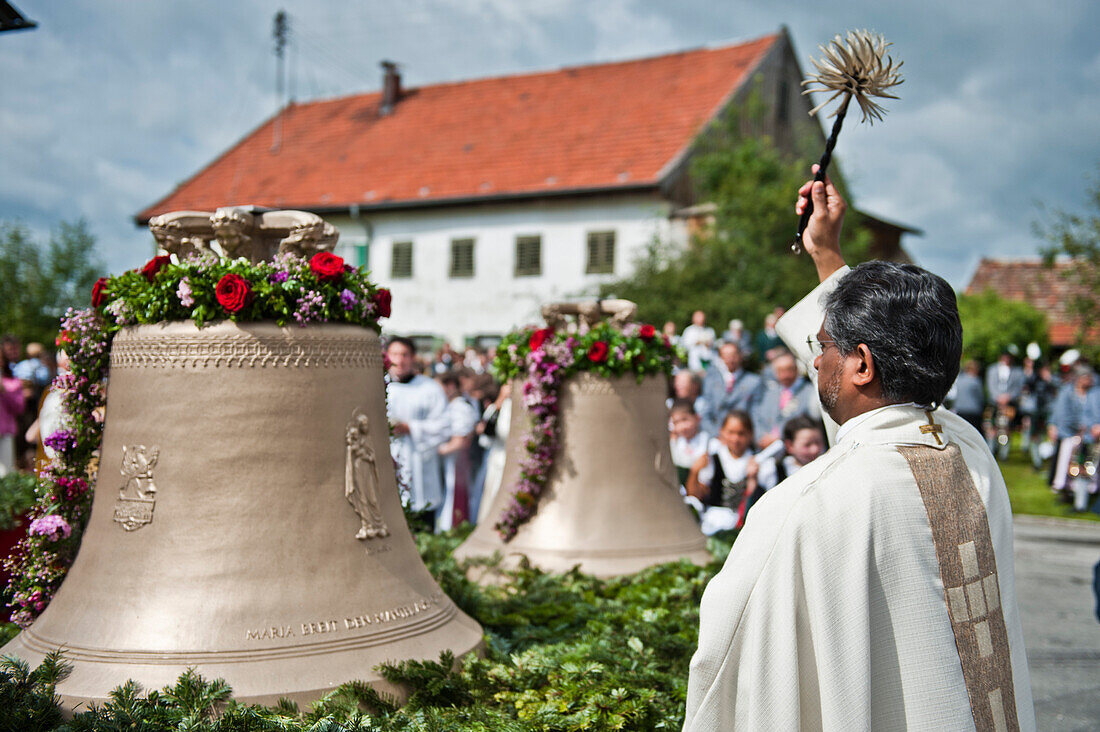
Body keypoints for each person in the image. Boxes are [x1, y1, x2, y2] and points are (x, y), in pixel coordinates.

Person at [684, 170, 1035, 730]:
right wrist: (826, 254)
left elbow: (725, 659)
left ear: (863, 364)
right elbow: (871, 407)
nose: (815, 359)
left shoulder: (805, 505)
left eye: (821, 346)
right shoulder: (972, 455)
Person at [385, 337, 451, 527]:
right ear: (387, 357)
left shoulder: (429, 389)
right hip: (389, 459)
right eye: (395, 354)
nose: (400, 360)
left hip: (419, 462)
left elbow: (444, 426)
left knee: (421, 521)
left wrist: (411, 428)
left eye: (405, 354)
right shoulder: (378, 386)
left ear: (413, 358)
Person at [684, 410, 758, 535]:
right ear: (722, 432)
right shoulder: (713, 459)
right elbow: (695, 494)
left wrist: (753, 479)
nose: (735, 438)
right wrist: (695, 472)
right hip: (713, 521)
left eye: (741, 434)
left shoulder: (757, 461)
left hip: (743, 525)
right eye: (731, 432)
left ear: (750, 435)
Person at [435, 371, 480, 532]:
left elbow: (461, 440)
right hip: (451, 461)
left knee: (455, 497)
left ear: (451, 386)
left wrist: (438, 450)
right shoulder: (452, 406)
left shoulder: (460, 407)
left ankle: (453, 529)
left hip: (457, 462)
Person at [752, 350, 817, 449]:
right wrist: (761, 437)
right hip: (765, 449)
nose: (785, 375)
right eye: (780, 370)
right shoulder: (769, 393)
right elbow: (758, 417)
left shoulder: (809, 391)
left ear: (796, 369)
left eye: (789, 369)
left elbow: (808, 421)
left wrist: (778, 437)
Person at [700, 341, 762, 436]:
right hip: (716, 435)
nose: (730, 359)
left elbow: (755, 413)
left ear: (740, 356)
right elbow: (705, 412)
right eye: (725, 355)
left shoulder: (753, 381)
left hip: (742, 436)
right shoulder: (711, 381)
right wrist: (717, 434)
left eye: (733, 355)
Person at [669, 398, 711, 490]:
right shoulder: (675, 443)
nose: (682, 427)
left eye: (685, 420)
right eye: (676, 422)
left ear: (697, 418)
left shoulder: (706, 441)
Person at [0, 348, 27, 476]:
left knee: (5, 472)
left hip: (5, 432)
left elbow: (19, 408)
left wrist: (4, 390)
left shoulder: (12, 383)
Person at [948, 358, 986, 433]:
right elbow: (981, 397)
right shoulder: (976, 381)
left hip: (960, 410)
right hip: (973, 411)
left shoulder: (959, 380)